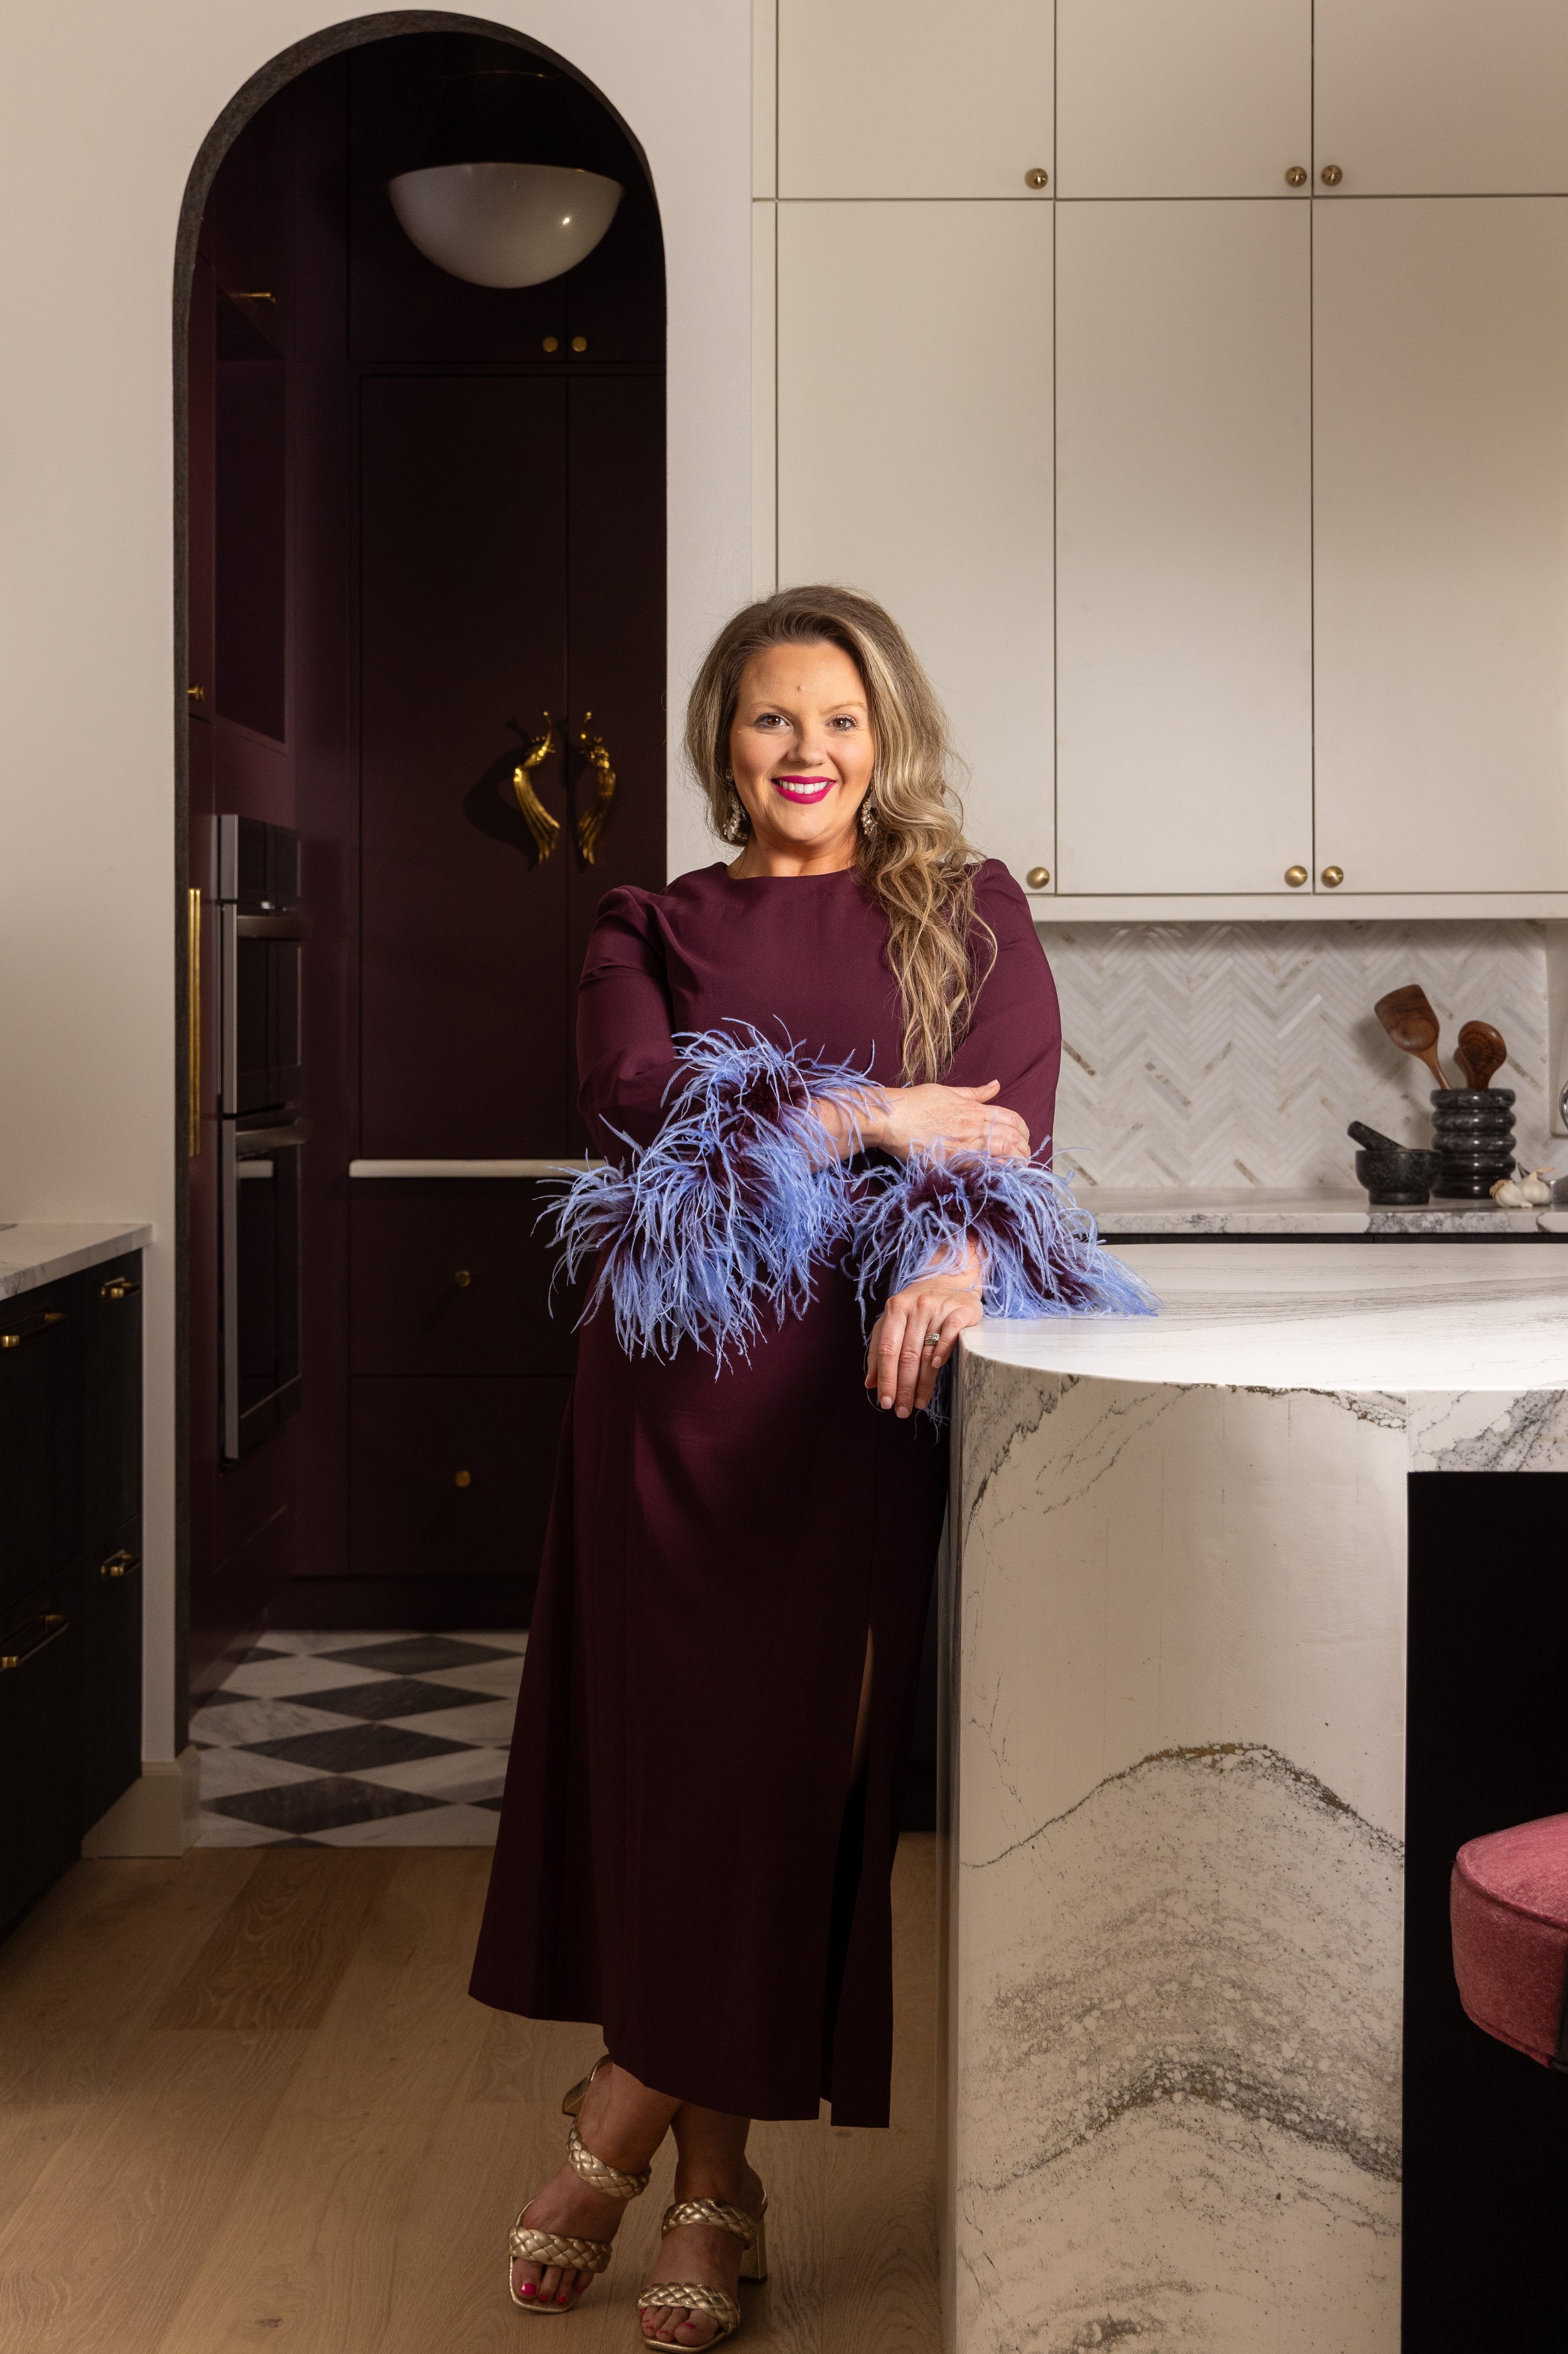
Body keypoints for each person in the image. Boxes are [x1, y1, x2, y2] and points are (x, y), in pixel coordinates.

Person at [470, 585, 1150, 2347]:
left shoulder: (966, 909)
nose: (806, 752)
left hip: (852, 1403)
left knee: (793, 1776)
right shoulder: (651, 916)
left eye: (837, 720)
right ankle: (712, 2190)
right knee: (684, 1782)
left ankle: (619, 2116)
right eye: (772, 720)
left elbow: (1008, 1132)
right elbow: (634, 1098)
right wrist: (871, 1112)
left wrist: (951, 1245)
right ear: (725, 742)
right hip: (667, 1400)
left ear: (885, 733)